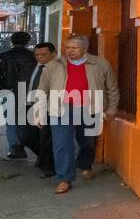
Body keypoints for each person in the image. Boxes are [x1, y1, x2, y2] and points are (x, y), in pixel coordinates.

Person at [35, 34, 118, 194]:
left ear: (85, 48)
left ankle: (85, 164)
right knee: (61, 145)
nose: (69, 51)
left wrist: (112, 107)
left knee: (88, 142)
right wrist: (39, 111)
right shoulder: (54, 65)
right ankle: (64, 179)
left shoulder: (100, 64)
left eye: (74, 48)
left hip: (90, 108)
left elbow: (112, 87)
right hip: (60, 109)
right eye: (67, 47)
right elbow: (42, 89)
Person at [18, 42, 57, 177]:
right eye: (37, 54)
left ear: (53, 54)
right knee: (26, 136)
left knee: (46, 137)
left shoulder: (57, 68)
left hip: (47, 107)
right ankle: (43, 158)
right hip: (30, 104)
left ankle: (48, 167)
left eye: (43, 54)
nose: (39, 57)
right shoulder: (34, 66)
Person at [0, 31, 37, 160]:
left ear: (11, 41)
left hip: (7, 92)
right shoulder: (33, 57)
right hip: (27, 92)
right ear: (27, 42)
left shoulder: (4, 56)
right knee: (26, 120)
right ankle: (29, 146)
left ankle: (16, 150)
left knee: (11, 121)